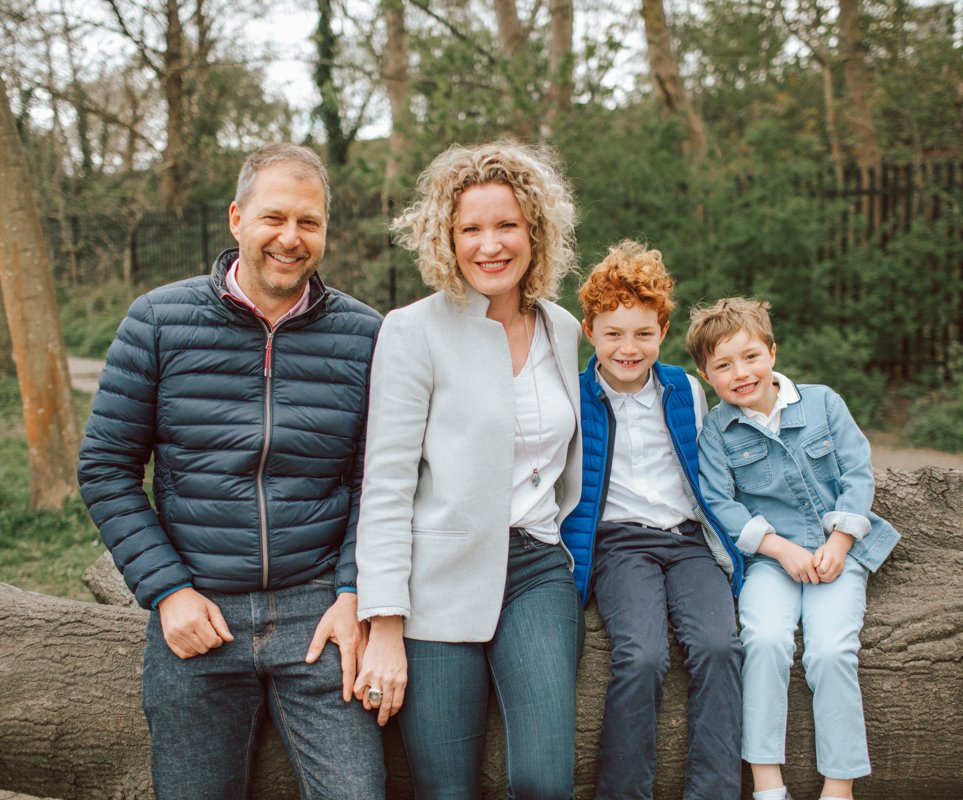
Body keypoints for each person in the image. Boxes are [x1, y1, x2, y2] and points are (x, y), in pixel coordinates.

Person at [77, 143, 385, 800]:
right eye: (274, 218)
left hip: (318, 610)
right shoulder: (158, 321)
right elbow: (105, 469)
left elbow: (376, 483)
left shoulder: (367, 335)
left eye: (309, 222)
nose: (290, 238)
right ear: (237, 218)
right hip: (200, 608)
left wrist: (353, 591)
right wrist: (168, 591)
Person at [353, 140, 584, 799]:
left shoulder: (561, 329)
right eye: (471, 229)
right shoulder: (412, 331)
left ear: (535, 232)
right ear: (446, 239)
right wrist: (386, 626)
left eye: (507, 225)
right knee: (445, 790)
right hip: (436, 586)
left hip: (538, 571)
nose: (491, 245)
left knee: (544, 781)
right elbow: (388, 488)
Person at [687, 297, 900, 800]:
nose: (741, 373)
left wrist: (841, 541)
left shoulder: (823, 402)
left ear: (773, 352)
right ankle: (766, 782)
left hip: (836, 556)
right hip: (770, 561)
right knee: (764, 641)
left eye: (751, 356)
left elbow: (856, 472)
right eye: (723, 365)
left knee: (830, 651)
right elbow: (719, 501)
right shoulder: (717, 430)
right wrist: (780, 550)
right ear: (705, 374)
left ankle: (839, 785)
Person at [560, 240, 745, 800]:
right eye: (613, 334)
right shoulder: (576, 393)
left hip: (687, 542)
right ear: (590, 332)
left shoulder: (685, 389)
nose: (628, 348)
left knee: (720, 647)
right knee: (641, 656)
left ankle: (712, 791)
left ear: (662, 330)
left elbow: (709, 467)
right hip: (619, 546)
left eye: (643, 333)